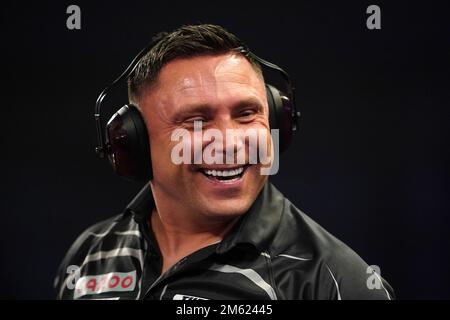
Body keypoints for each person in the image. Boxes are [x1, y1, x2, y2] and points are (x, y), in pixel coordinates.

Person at [54, 24, 394, 300]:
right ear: (132, 142)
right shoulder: (89, 255)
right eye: (195, 120)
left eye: (247, 114)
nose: (229, 142)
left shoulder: (333, 282)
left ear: (277, 123)